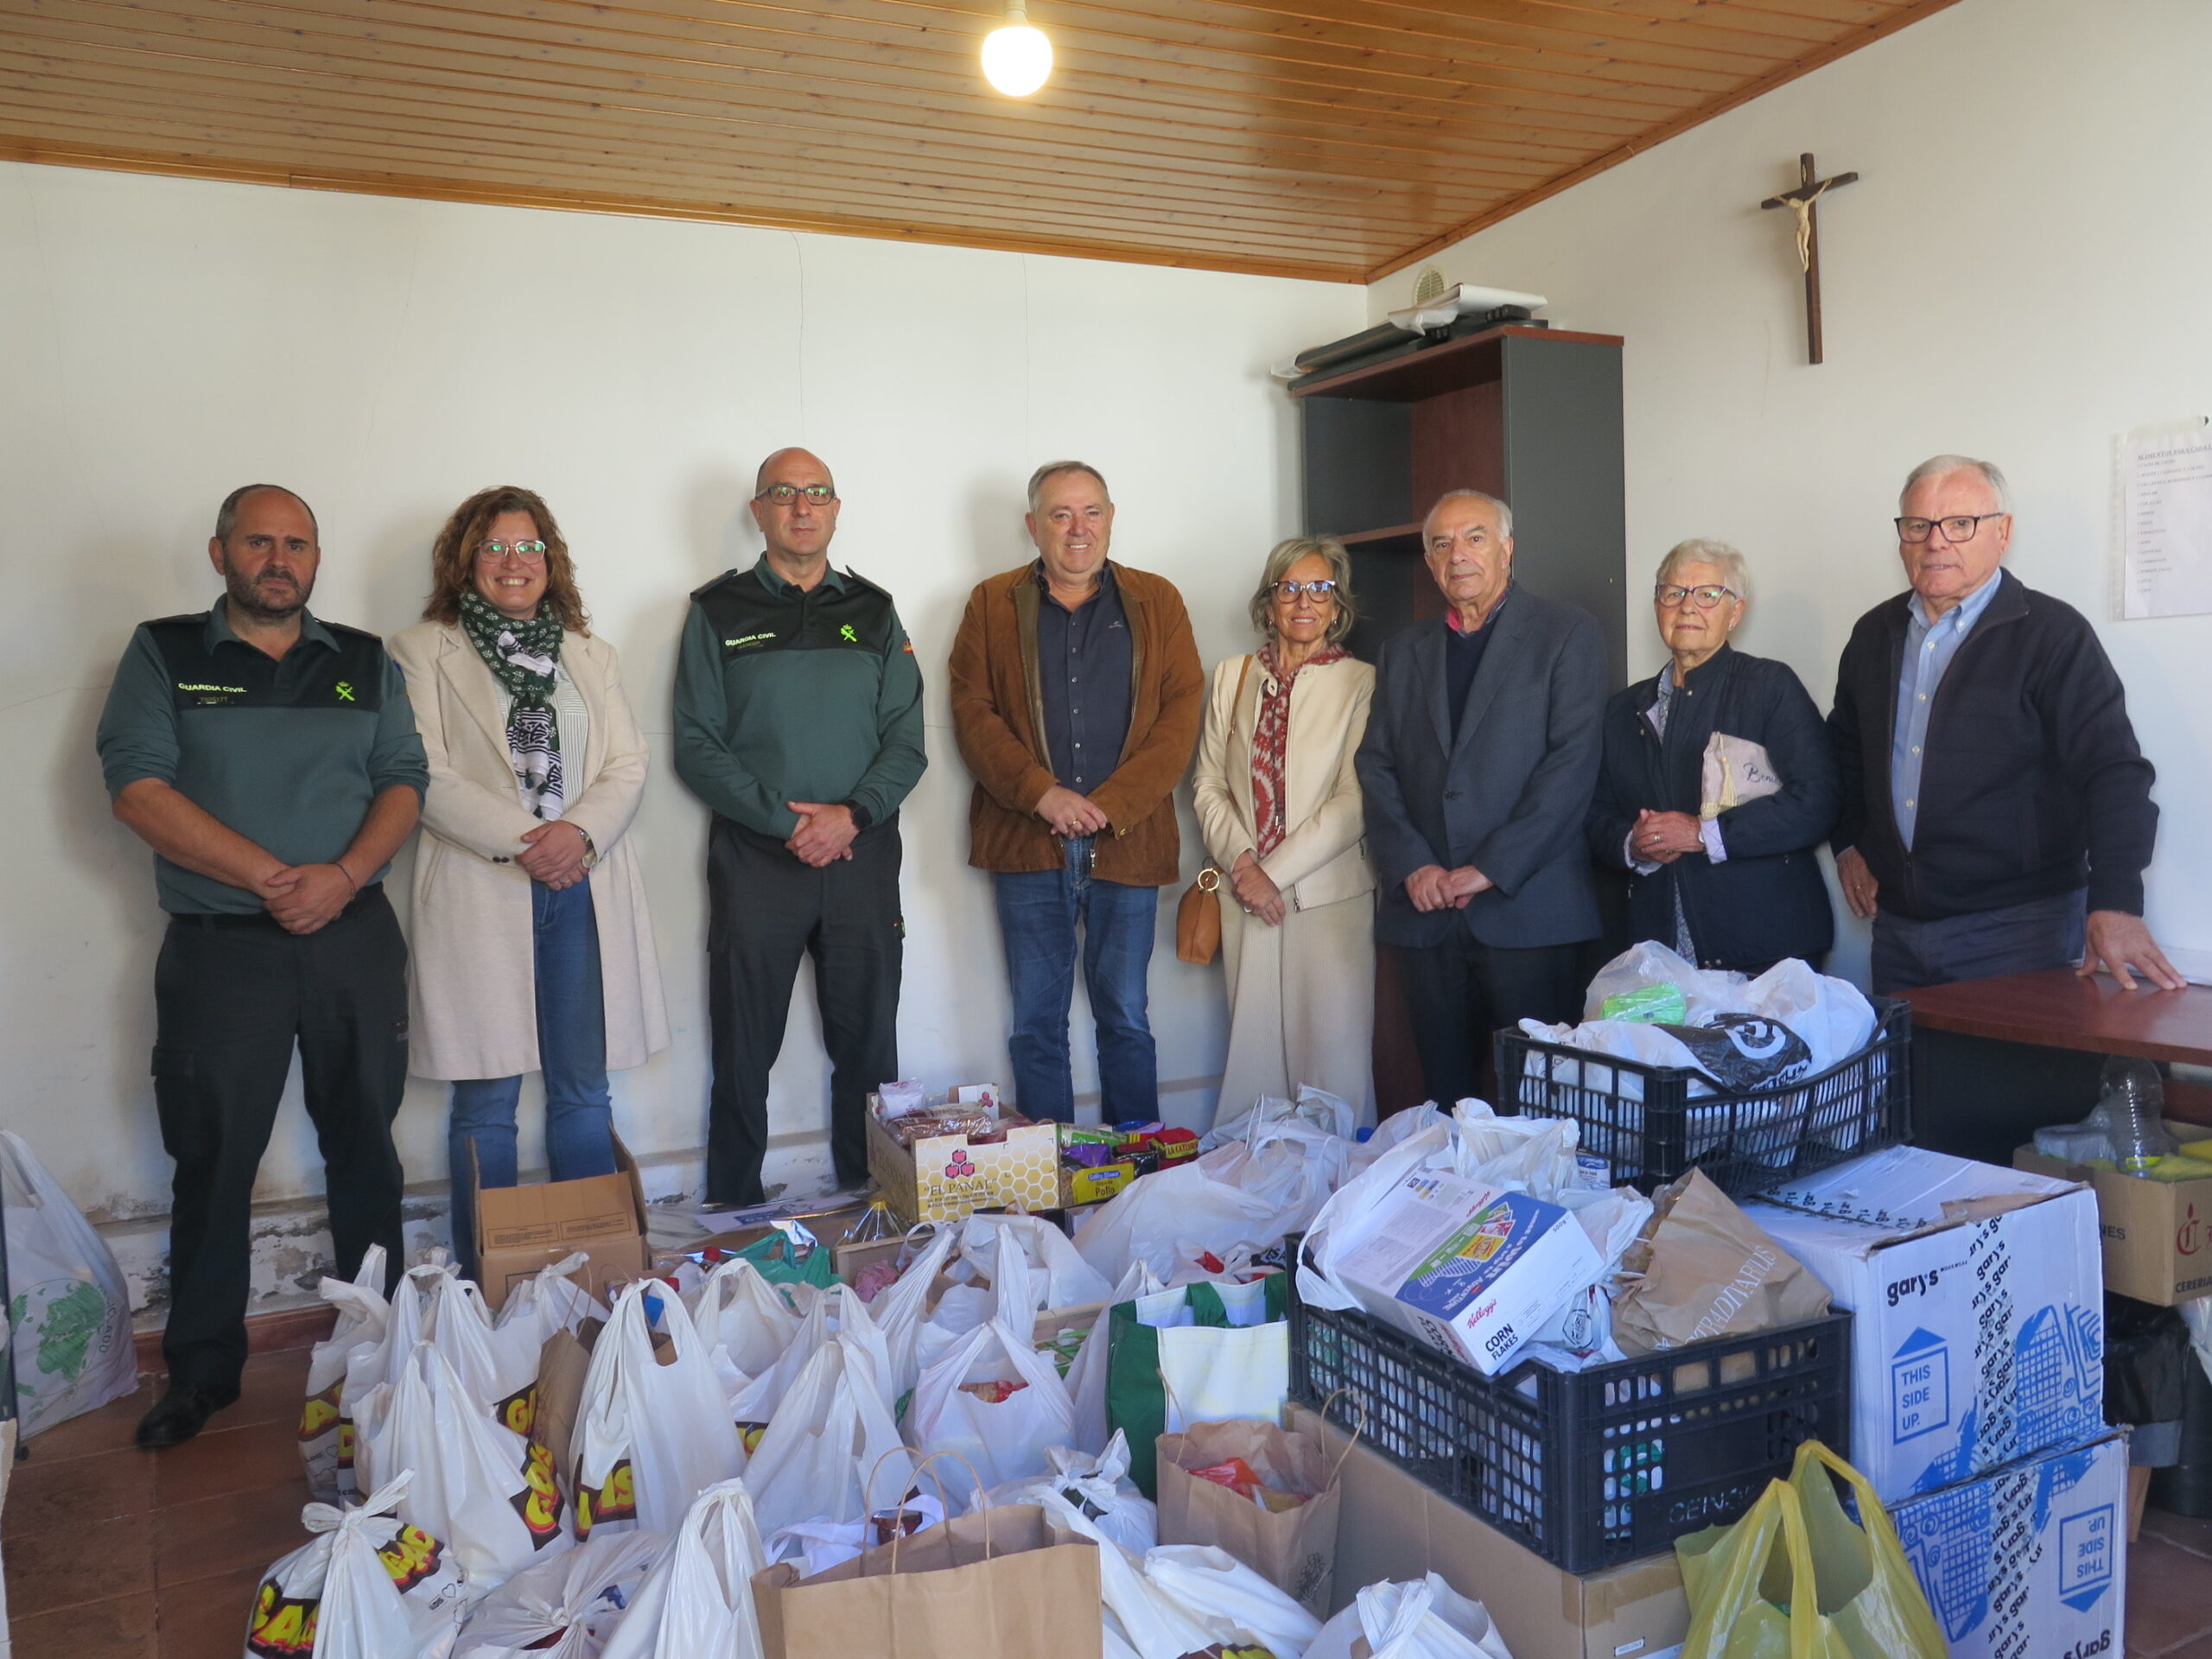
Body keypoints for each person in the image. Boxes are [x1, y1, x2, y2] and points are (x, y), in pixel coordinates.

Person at [96, 484, 426, 1449]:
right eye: (259, 543)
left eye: (298, 544)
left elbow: (405, 779)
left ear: (317, 560)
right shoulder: (164, 652)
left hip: (354, 939)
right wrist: (278, 878)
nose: (278, 560)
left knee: (365, 1146)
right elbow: (137, 789)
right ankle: (201, 1372)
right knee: (213, 1161)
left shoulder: (363, 660)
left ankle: (383, 1348)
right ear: (220, 553)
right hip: (221, 954)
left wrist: (346, 876)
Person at [389, 486, 669, 1277]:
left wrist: (574, 836)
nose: (515, 563)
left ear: (552, 561)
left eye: (530, 547)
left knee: (583, 1090)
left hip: (581, 882)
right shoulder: (421, 651)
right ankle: (494, 1276)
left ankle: (598, 1268)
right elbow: (424, 773)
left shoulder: (589, 653)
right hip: (486, 888)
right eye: (496, 548)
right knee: (487, 1099)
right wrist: (529, 842)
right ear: (464, 561)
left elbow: (627, 762)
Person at [674, 448, 925, 1205]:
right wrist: (784, 823)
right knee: (745, 1045)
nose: (803, 506)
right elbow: (696, 743)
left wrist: (850, 816)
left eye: (817, 493)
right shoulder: (716, 610)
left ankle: (873, 1193)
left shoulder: (874, 610)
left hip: (863, 854)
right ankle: (734, 1204)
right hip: (757, 861)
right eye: (785, 493)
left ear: (836, 509)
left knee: (869, 1045)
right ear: (760, 511)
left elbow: (907, 740)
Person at [1830, 455, 2181, 995]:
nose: (1936, 542)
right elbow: (1845, 752)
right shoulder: (1874, 634)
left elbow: (2114, 771)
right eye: (1919, 525)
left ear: (2003, 533)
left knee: (2009, 1081)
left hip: (2019, 931)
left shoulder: (2053, 635)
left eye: (1959, 524)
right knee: (1908, 1078)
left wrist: (2117, 901)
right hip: (1897, 932)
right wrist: (1849, 844)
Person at [949, 461, 1205, 1123]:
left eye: (1091, 512)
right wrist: (1043, 795)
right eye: (1060, 514)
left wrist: (1111, 807)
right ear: (1033, 526)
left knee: (1126, 1017)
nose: (1077, 528)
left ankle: (1136, 1179)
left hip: (1131, 842)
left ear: (1112, 518)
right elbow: (972, 713)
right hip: (1028, 843)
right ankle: (1051, 1189)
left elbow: (1180, 716)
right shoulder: (989, 603)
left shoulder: (1159, 601)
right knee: (1037, 1022)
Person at [1356, 487, 1606, 1106]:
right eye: (1441, 543)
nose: (1458, 555)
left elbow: (1571, 768)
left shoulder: (1567, 632)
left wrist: (1489, 868)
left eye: (1474, 538)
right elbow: (1377, 765)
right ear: (1429, 560)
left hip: (1528, 910)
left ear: (1507, 549)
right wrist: (1411, 864)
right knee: (1445, 1100)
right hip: (1429, 915)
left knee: (1542, 1100)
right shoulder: (1402, 651)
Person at [1587, 540, 1838, 975]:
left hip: (1767, 944)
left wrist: (1704, 833)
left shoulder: (1768, 686)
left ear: (1735, 612)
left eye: (1707, 594)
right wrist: (1634, 843)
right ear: (1656, 605)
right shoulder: (1621, 709)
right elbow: (1594, 813)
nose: (1688, 607)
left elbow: (1818, 800)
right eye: (1674, 593)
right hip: (1655, 951)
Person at [1192, 537, 1377, 1118]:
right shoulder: (1232, 675)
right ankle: (1259, 1199)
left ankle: (1338, 1199)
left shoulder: (1362, 681)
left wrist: (1272, 874)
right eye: (1289, 588)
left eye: (1320, 588)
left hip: (1327, 899)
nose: (1304, 601)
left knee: (1333, 1068)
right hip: (1244, 897)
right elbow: (1206, 784)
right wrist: (1245, 867)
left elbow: (1355, 799)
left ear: (1337, 604)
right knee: (1254, 1064)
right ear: (1268, 602)